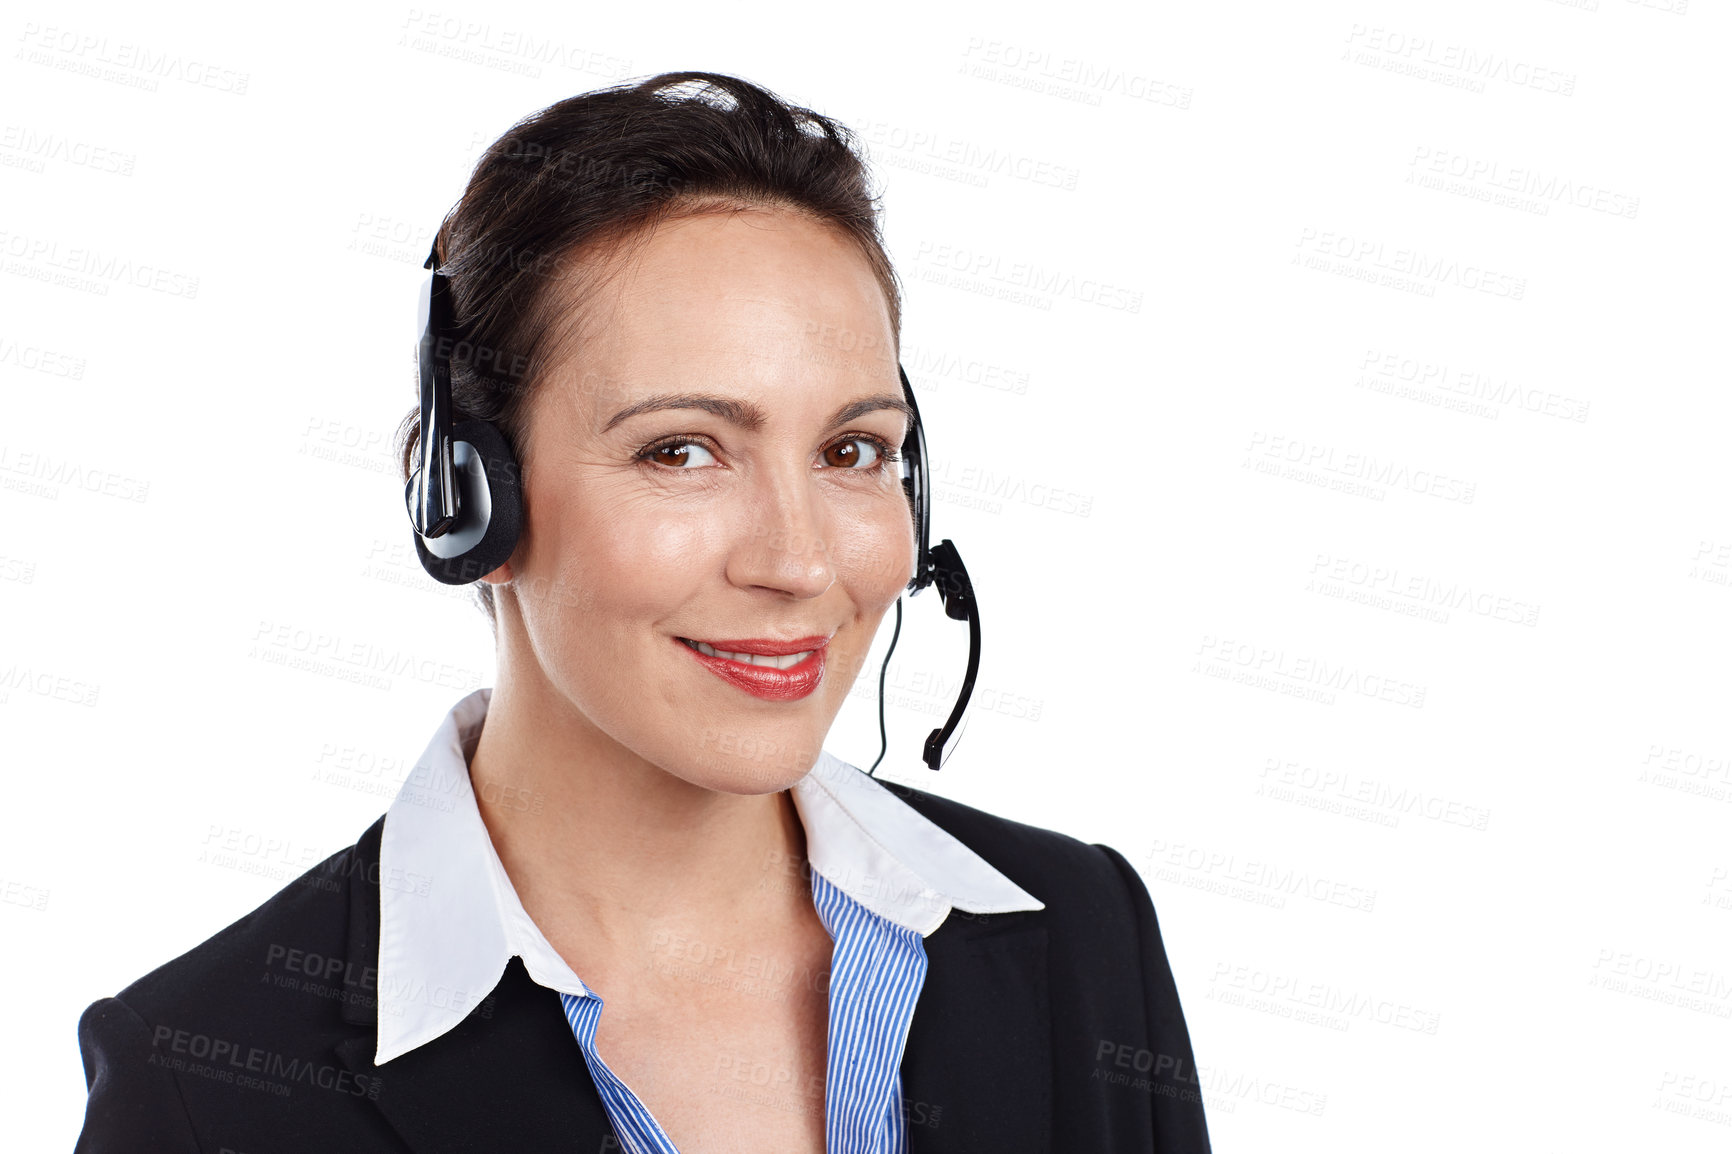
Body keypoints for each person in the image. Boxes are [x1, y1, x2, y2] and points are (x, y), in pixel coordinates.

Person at [73, 71, 1211, 1153]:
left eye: (851, 450)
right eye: (681, 450)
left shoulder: (1083, 934)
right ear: (469, 495)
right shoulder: (205, 1077)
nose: (800, 559)